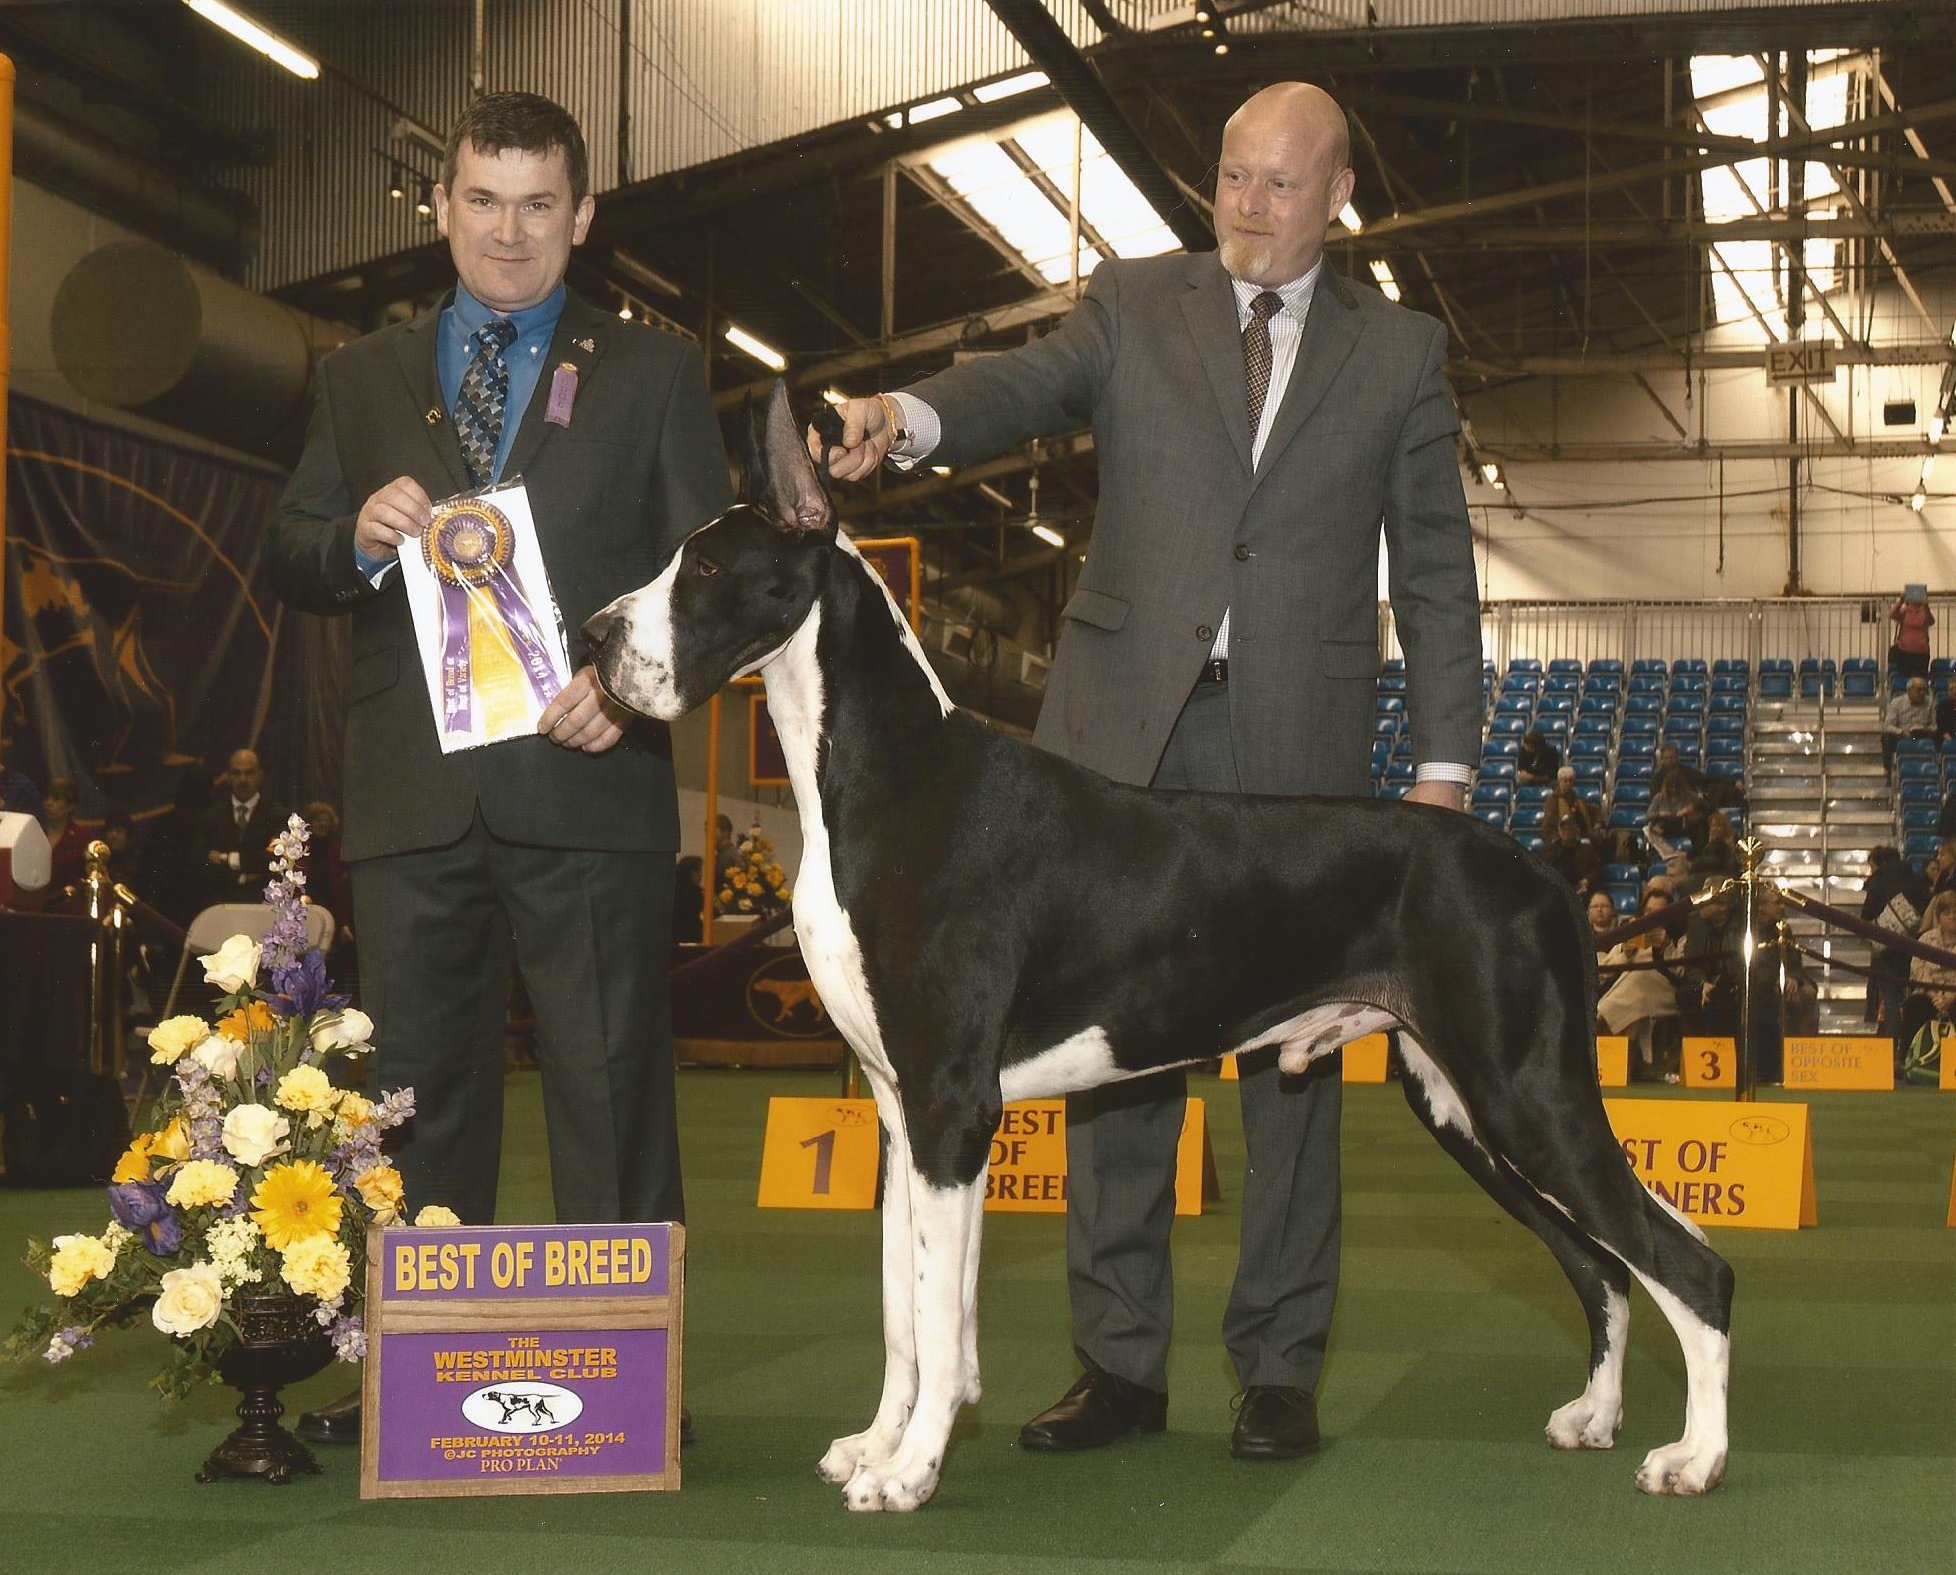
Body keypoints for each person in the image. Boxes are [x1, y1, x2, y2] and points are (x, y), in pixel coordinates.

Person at [815, 82, 1481, 1462]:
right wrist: (908, 414)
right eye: (1231, 173)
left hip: (1296, 744)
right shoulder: (1133, 301)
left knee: (1292, 1070)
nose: (1244, 201)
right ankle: (1117, 1363)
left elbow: (1435, 569)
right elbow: (1019, 387)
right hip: (1120, 730)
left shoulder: (1403, 352)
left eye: (1278, 183)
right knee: (1108, 1060)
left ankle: (1279, 1364)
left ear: (1339, 194)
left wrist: (1444, 764)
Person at [267, 92, 730, 1445]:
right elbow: (292, 549)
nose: (510, 230)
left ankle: (635, 1382)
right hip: (415, 798)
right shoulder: (358, 377)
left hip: (591, 788)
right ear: (444, 208)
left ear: (582, 216)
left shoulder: (656, 371)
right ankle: (416, 1380)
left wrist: (634, 694)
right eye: (485, 199)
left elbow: (713, 574)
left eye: (540, 204)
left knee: (612, 1090)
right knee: (416, 1098)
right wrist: (352, 531)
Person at [1597, 890, 1684, 1081]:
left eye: (1659, 911)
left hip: (1665, 991)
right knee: (1634, 1005)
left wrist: (1667, 946)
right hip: (1632, 993)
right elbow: (1604, 971)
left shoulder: (1679, 934)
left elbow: (1682, 973)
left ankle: (1602, 1016)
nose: (1652, 916)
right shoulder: (1632, 929)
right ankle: (1620, 1070)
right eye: (1649, 910)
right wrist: (1625, 954)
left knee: (1638, 980)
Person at [192, 749, 288, 905]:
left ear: (260, 776)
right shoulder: (210, 817)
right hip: (219, 905)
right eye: (236, 773)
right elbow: (200, 863)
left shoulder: (278, 816)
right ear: (228, 777)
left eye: (249, 773)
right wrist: (249, 873)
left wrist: (227, 858)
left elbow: (274, 858)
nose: (243, 779)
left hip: (263, 904)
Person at [135, 765, 212, 928]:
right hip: (205, 908)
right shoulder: (215, 822)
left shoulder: (164, 824)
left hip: (168, 907)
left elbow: (146, 872)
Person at [1898, 890, 1956, 1082]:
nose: (1952, 917)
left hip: (1954, 995)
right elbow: (1917, 970)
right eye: (1947, 913)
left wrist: (1949, 998)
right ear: (1939, 916)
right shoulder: (1926, 939)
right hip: (1928, 993)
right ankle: (1906, 1062)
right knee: (1914, 1005)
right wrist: (1935, 996)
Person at [39, 777, 89, 892]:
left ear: (70, 806)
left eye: (56, 799)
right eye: (46, 798)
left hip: (67, 904)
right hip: (34, 902)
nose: (48, 803)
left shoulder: (82, 838)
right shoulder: (34, 832)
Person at [1645, 767, 1705, 856]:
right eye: (1670, 787)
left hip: (1683, 826)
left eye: (1676, 787)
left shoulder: (1689, 796)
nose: (1673, 790)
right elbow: (1648, 815)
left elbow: (1701, 803)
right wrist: (1660, 813)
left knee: (1695, 823)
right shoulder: (1659, 797)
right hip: (1665, 823)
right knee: (1659, 821)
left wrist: (1688, 809)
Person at [1882, 675, 1935, 776]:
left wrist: (1927, 729)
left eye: (1924, 690)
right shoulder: (1897, 702)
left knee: (1937, 736)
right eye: (1919, 690)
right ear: (1909, 690)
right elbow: (1888, 725)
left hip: (1923, 734)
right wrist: (1901, 731)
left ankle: (1934, 768)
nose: (1922, 693)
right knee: (1887, 737)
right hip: (1903, 734)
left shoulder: (1930, 702)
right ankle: (1888, 770)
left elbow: (1935, 725)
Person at [1543, 811, 1606, 896]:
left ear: (1576, 829)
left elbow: (1598, 869)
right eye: (1564, 828)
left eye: (1569, 828)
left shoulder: (1587, 850)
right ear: (1559, 830)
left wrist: (1587, 880)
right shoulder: (1549, 851)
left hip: (1580, 891)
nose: (1567, 831)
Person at [1889, 585, 1934, 682]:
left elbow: (1931, 621)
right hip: (1905, 650)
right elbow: (1892, 614)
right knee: (1904, 678)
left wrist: (1926, 605)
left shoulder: (1924, 612)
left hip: (1922, 651)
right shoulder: (1904, 611)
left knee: (1921, 679)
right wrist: (1901, 600)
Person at [1540, 765, 1596, 842]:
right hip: (1559, 841)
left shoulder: (1578, 800)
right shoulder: (1553, 801)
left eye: (1570, 781)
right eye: (1565, 781)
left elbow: (1591, 812)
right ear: (1559, 782)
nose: (1568, 783)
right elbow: (1547, 828)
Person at [672, 855, 705, 946]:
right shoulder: (696, 893)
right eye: (700, 872)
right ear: (693, 873)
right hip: (692, 938)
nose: (701, 876)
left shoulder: (672, 889)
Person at [1935, 673, 1956, 747]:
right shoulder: (1943, 706)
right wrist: (1949, 740)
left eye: (1955, 688)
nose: (1954, 691)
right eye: (1951, 689)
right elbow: (1941, 726)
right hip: (1947, 739)